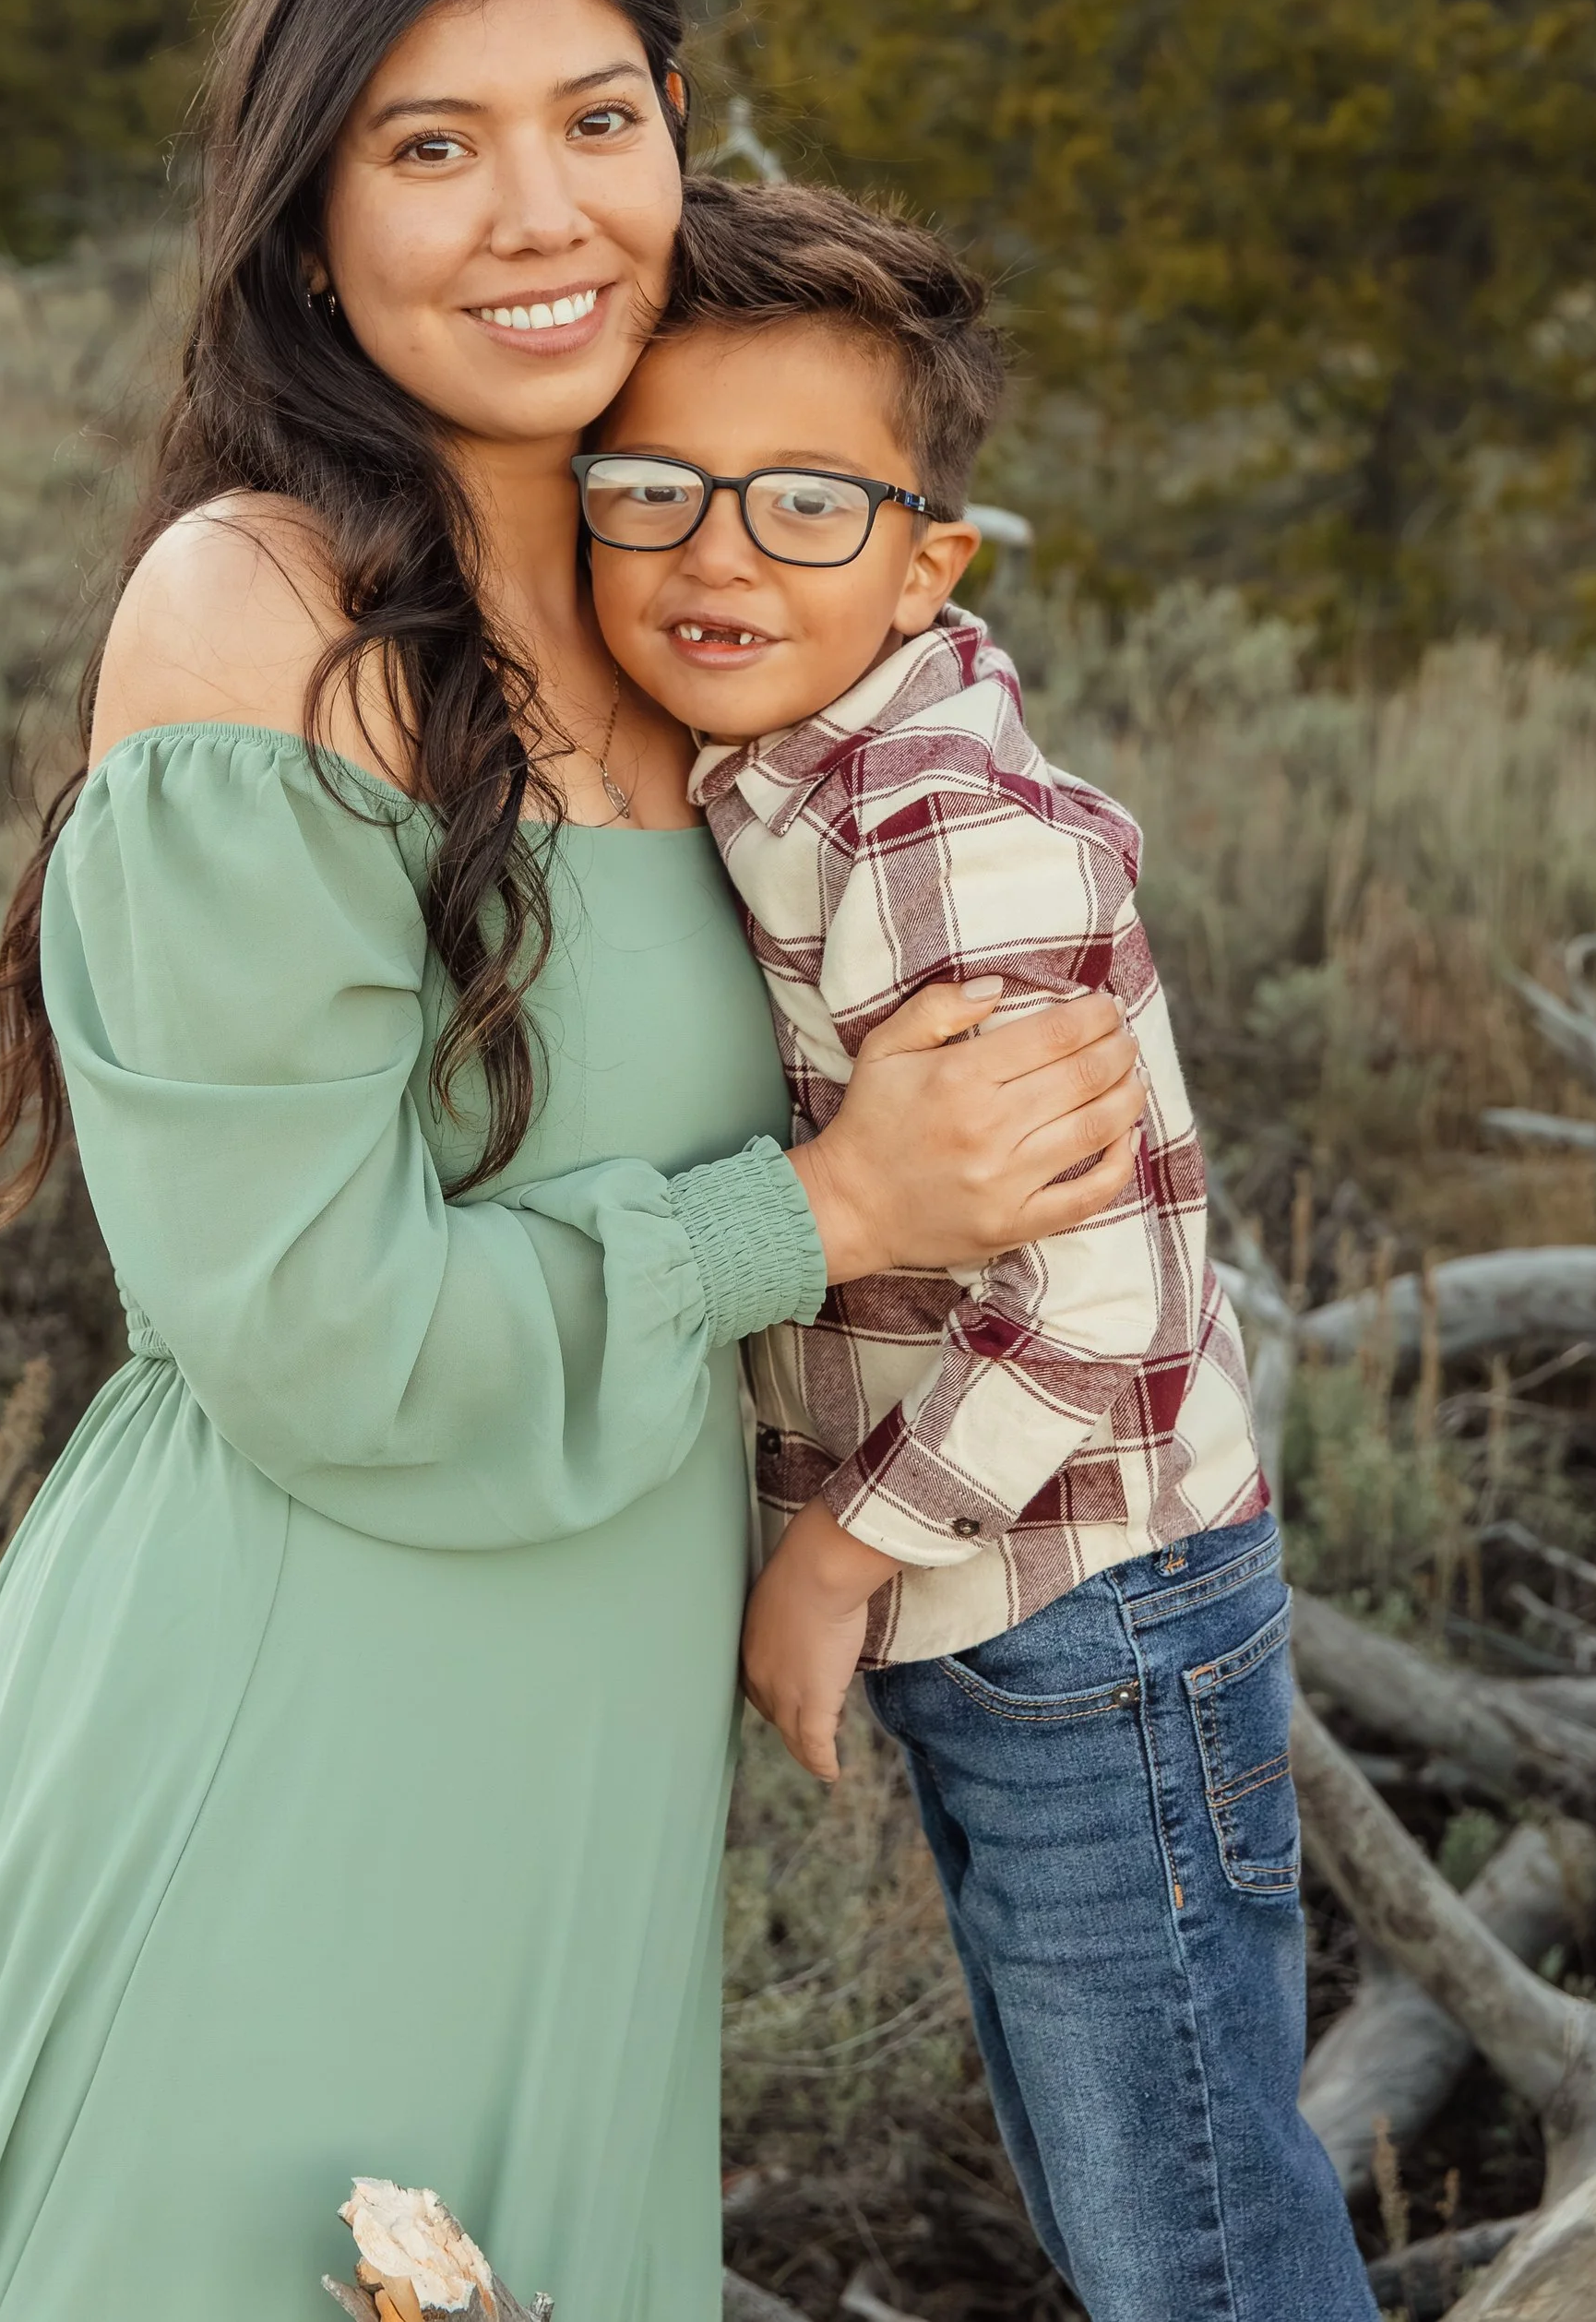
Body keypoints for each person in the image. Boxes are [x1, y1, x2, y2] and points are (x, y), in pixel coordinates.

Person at [0, 0, 1149, 2322]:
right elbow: (316, 1332)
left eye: (596, 118)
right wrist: (819, 1213)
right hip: (291, 1714)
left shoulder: (718, 614)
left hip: (584, 1736)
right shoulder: (259, 613)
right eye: (432, 143)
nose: (543, 211)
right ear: (308, 223)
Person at [580, 174, 1376, 2322]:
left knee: (1185, 2220)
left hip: (1087, 1602)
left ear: (928, 559)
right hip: (1004, 1596)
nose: (716, 552)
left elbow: (1098, 1303)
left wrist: (830, 1563)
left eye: (806, 506)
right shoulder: (763, 768)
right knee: (1105, 2167)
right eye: (650, 489)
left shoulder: (944, 838)